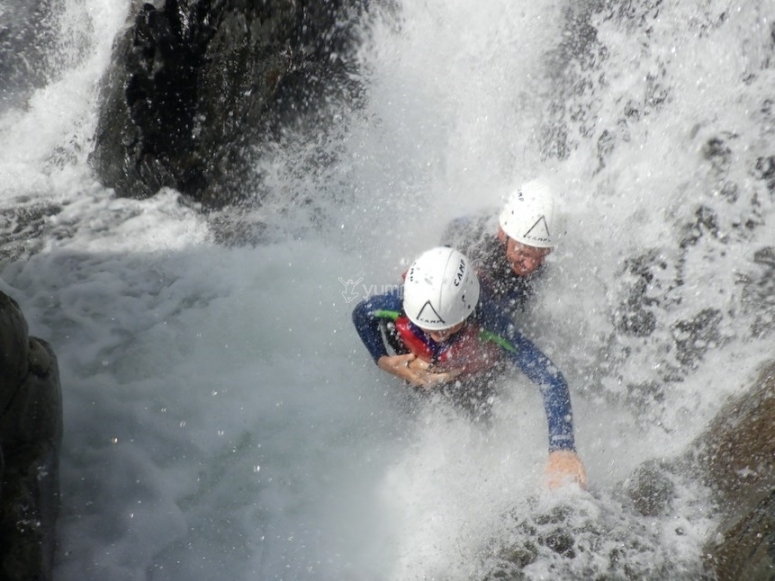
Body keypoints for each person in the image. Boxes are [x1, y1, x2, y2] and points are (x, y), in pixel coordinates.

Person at [351, 246, 587, 489]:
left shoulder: (488, 319)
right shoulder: (400, 300)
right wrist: (383, 361)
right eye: (429, 327)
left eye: (448, 327)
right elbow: (361, 314)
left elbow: (550, 377)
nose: (438, 335)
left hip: (473, 375)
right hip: (422, 365)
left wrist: (562, 448)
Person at [440, 179, 559, 314]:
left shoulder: (541, 243)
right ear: (502, 233)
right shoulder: (482, 260)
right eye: (524, 254)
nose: (531, 265)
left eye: (542, 255)